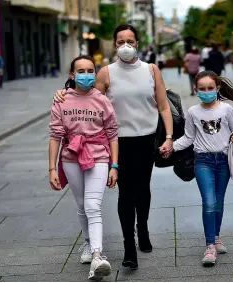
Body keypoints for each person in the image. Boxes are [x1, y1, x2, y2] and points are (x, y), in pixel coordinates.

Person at [53, 24, 173, 270]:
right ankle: (130, 247)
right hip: (119, 142)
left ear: (137, 43)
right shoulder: (106, 73)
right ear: (115, 44)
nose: (125, 45)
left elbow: (163, 106)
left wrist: (169, 136)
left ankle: (144, 228)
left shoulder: (151, 70)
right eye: (120, 41)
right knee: (126, 193)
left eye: (130, 40)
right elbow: (87, 98)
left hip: (146, 139)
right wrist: (63, 92)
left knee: (143, 189)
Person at [161, 71, 233, 266]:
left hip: (223, 161)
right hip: (203, 162)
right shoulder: (193, 112)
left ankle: (216, 237)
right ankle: (209, 246)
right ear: (195, 89)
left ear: (217, 89)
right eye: (202, 89)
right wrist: (171, 146)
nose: (206, 92)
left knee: (218, 201)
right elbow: (189, 138)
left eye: (210, 88)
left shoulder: (227, 110)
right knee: (208, 201)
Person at [48, 55, 118, 281]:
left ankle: (98, 255)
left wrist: (114, 166)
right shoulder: (61, 99)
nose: (86, 75)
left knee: (92, 205)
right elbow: (55, 136)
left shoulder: (102, 100)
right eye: (81, 70)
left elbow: (112, 135)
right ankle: (88, 244)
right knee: (81, 205)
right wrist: (51, 169)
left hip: (98, 157)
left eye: (90, 70)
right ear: (72, 75)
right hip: (71, 158)